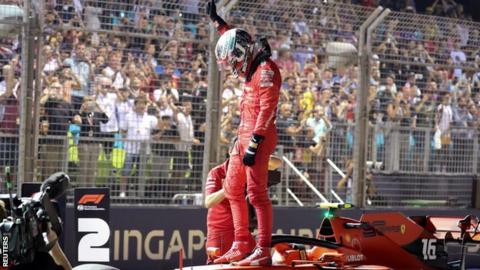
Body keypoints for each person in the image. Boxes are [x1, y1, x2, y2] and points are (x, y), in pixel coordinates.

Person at [207, 0, 281, 265]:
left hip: (259, 136)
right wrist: (218, 23)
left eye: (232, 62)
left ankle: (262, 248)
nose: (232, 68)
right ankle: (240, 243)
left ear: (242, 55)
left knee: (257, 193)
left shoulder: (266, 71)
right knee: (233, 189)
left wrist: (254, 144)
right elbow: (235, 39)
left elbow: (267, 110)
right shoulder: (250, 63)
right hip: (244, 135)